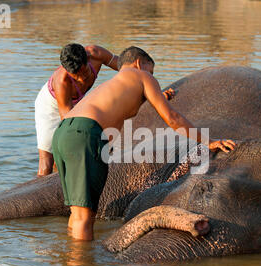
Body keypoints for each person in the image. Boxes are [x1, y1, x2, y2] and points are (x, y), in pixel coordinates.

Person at [51, 46, 236, 240]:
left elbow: (124, 105)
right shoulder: (141, 76)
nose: (152, 77)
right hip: (85, 133)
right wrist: (209, 141)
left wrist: (157, 97)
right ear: (139, 63)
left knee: (78, 212)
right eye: (151, 71)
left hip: (64, 132)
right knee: (85, 216)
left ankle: (70, 259)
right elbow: (172, 118)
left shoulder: (113, 84)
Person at [34, 43, 119, 177]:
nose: (81, 79)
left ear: (87, 59)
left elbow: (125, 67)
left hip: (75, 102)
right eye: (76, 77)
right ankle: (39, 192)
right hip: (50, 106)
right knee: (47, 160)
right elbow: (68, 122)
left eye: (85, 72)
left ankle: (60, 175)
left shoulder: (96, 53)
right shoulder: (62, 82)